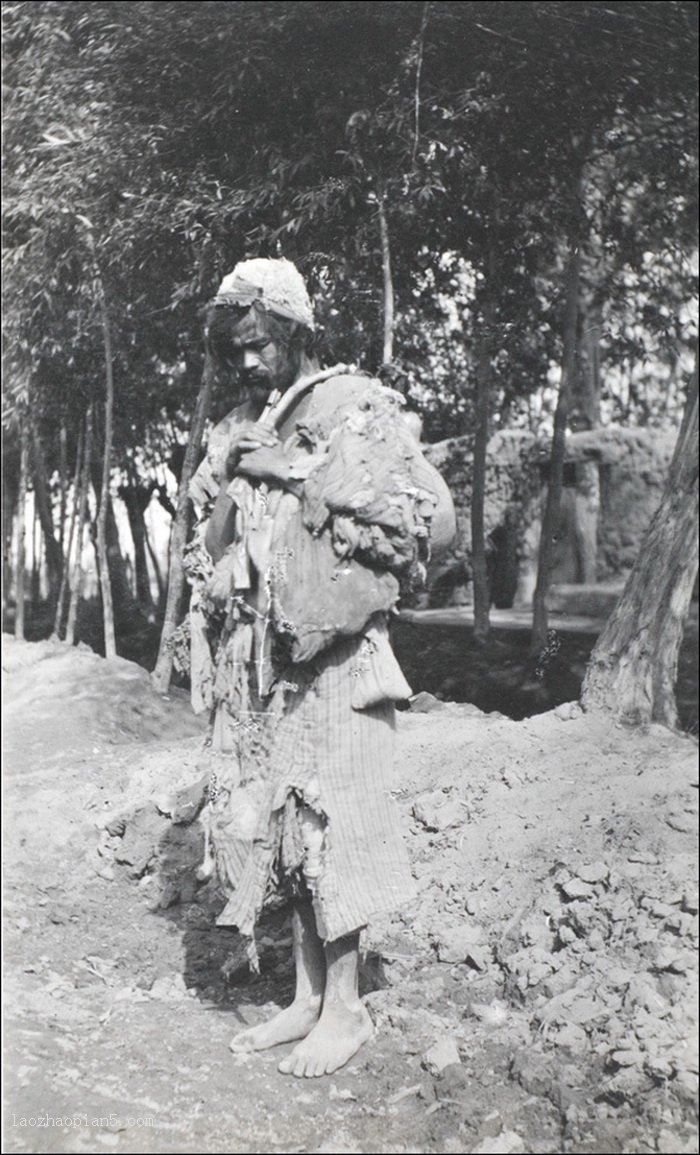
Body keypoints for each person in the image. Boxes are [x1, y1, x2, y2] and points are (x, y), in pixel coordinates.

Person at [186, 257, 455, 1078]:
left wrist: (288, 468)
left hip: (341, 657)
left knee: (336, 823)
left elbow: (412, 518)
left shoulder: (353, 404)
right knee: (291, 835)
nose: (250, 362)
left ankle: (346, 1006)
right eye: (237, 348)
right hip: (270, 663)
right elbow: (211, 542)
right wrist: (239, 472)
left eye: (262, 343)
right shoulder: (237, 421)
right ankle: (305, 996)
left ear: (297, 331)